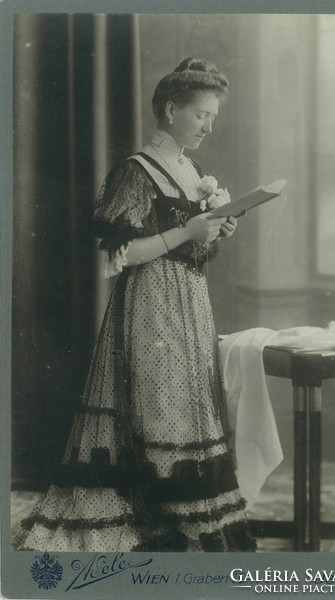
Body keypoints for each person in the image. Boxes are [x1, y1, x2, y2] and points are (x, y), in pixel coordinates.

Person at [19, 57, 257, 552]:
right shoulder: (136, 170)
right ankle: (156, 524)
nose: (209, 126)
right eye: (200, 115)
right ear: (171, 109)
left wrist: (215, 232)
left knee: (187, 408)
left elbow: (193, 248)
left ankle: (183, 525)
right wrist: (189, 230)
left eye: (213, 116)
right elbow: (122, 255)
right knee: (156, 410)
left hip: (191, 305)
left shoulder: (192, 170)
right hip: (150, 307)